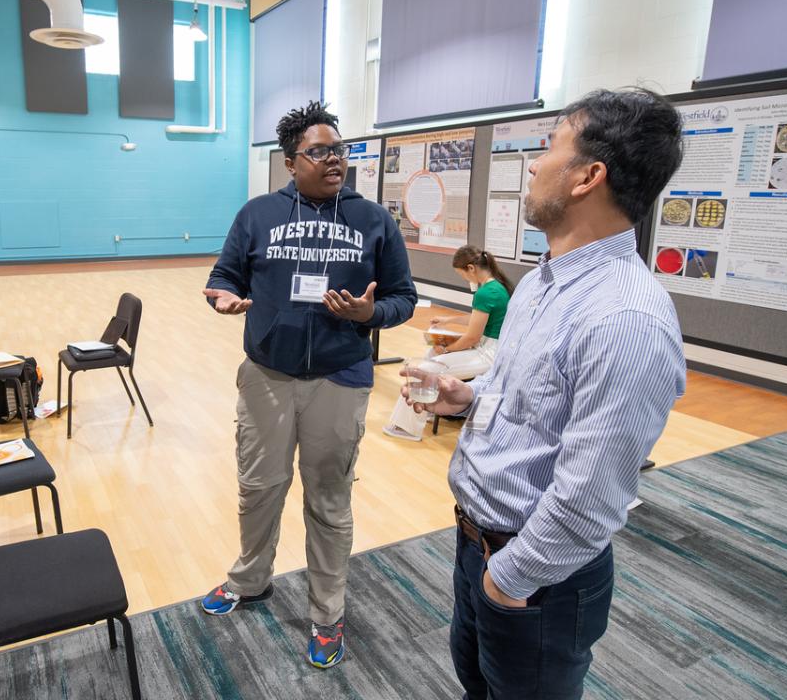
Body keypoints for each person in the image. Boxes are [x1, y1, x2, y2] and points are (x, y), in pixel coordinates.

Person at [405, 88, 686, 699]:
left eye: (550, 147)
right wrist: (467, 399)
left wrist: (510, 578)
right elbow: (534, 408)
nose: (533, 165)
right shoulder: (540, 283)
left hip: (537, 577)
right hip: (476, 544)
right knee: (477, 685)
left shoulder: (626, 319)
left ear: (589, 176)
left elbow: (593, 495)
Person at [200, 101, 416, 669]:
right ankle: (250, 580)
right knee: (259, 487)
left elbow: (403, 299)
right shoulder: (257, 215)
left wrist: (369, 315)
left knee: (329, 501)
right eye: (319, 152)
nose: (334, 160)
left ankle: (327, 612)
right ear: (291, 162)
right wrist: (223, 296)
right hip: (266, 377)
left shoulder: (374, 221)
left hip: (339, 380)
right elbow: (224, 275)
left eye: (339, 149)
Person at [382, 245, 513, 442]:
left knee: (425, 368)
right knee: (431, 358)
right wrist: (447, 321)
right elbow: (477, 318)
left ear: (471, 268)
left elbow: (472, 338)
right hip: (490, 348)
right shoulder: (496, 288)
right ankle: (428, 410)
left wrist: (446, 349)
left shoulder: (486, 293)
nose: (464, 280)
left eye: (462, 275)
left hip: (489, 354)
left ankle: (406, 427)